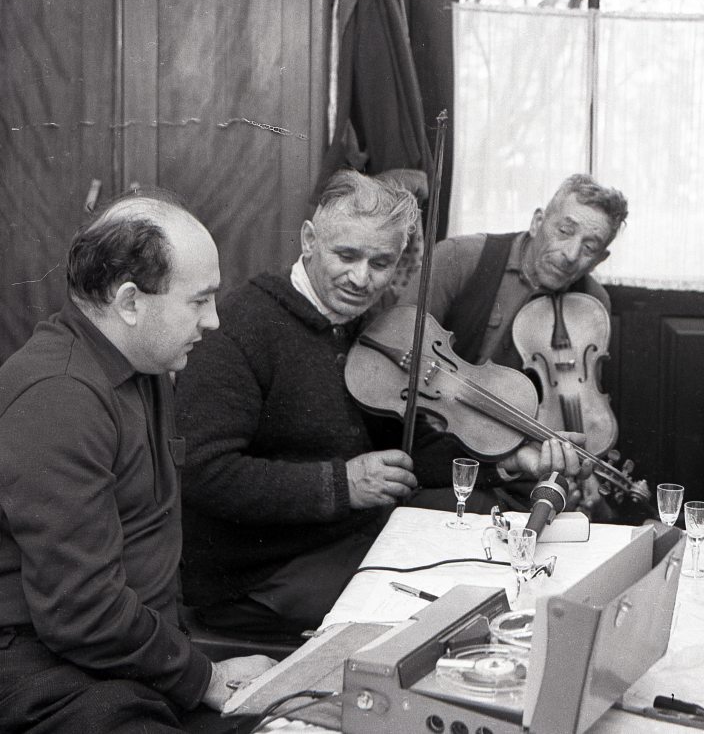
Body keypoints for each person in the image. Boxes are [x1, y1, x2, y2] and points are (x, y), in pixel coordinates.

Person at [174, 170, 587, 640]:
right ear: (309, 240)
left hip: (347, 538)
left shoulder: (368, 325)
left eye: (381, 263)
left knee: (484, 573)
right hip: (255, 578)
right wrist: (342, 484)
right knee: (436, 613)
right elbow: (202, 472)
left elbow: (407, 453)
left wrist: (508, 460)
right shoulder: (241, 326)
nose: (361, 278)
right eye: (346, 255)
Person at [0, 191, 273, 732]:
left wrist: (194, 669)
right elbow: (81, 613)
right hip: (48, 674)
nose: (214, 321)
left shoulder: (143, 366)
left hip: (126, 658)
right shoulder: (60, 396)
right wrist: (205, 678)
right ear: (129, 302)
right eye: (200, 301)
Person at [422, 173, 629, 514]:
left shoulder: (593, 303)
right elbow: (403, 347)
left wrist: (583, 463)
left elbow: (580, 403)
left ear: (600, 259)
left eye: (589, 247)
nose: (571, 254)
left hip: (526, 461)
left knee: (594, 521)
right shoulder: (459, 257)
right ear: (537, 222)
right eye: (564, 230)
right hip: (445, 446)